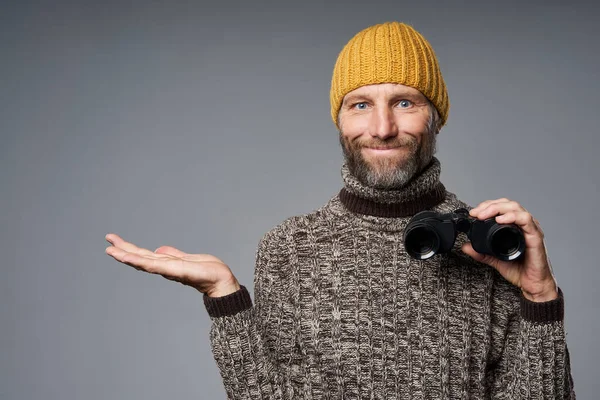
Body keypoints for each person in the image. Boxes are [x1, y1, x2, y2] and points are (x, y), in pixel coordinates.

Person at [105, 21, 575, 399]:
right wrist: (224, 295)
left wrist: (540, 299)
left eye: (405, 102)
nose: (382, 127)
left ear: (436, 117)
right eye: (360, 104)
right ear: (340, 119)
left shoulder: (493, 245)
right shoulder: (290, 248)